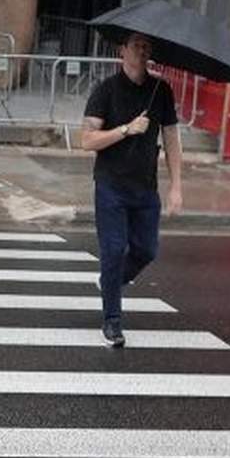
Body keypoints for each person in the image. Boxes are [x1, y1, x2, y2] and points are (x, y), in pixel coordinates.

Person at [80, 32, 183, 348]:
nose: (142, 50)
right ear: (122, 50)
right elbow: (86, 140)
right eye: (136, 45)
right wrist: (126, 129)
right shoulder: (105, 90)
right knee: (113, 251)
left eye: (147, 46)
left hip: (145, 188)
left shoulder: (161, 90)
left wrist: (176, 186)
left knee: (146, 250)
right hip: (111, 186)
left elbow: (171, 138)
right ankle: (112, 321)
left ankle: (111, 281)